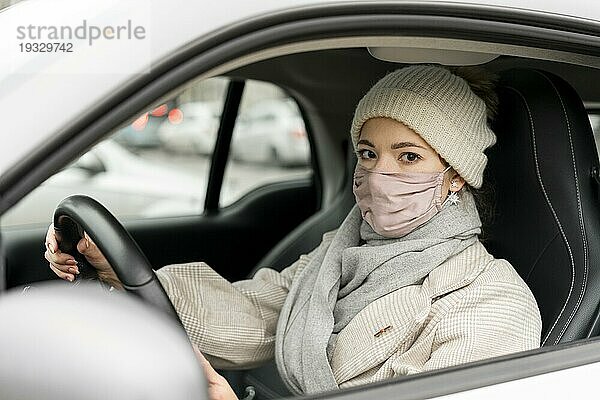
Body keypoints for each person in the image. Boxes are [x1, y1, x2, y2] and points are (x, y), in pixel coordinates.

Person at [44, 65, 542, 398]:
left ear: (456, 175)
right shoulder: (340, 253)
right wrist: (123, 275)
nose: (378, 174)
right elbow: (254, 314)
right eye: (368, 153)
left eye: (408, 156)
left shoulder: (492, 302)